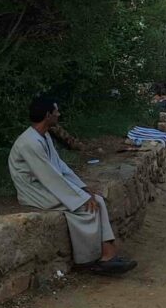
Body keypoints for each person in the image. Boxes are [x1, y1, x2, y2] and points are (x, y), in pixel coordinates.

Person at [8, 96, 137, 274]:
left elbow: (60, 166)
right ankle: (90, 259)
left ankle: (108, 254)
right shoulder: (29, 143)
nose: (58, 115)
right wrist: (80, 197)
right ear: (47, 115)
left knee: (96, 201)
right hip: (33, 191)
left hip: (45, 185)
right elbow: (50, 177)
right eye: (56, 112)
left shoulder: (43, 137)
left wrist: (82, 188)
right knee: (88, 207)